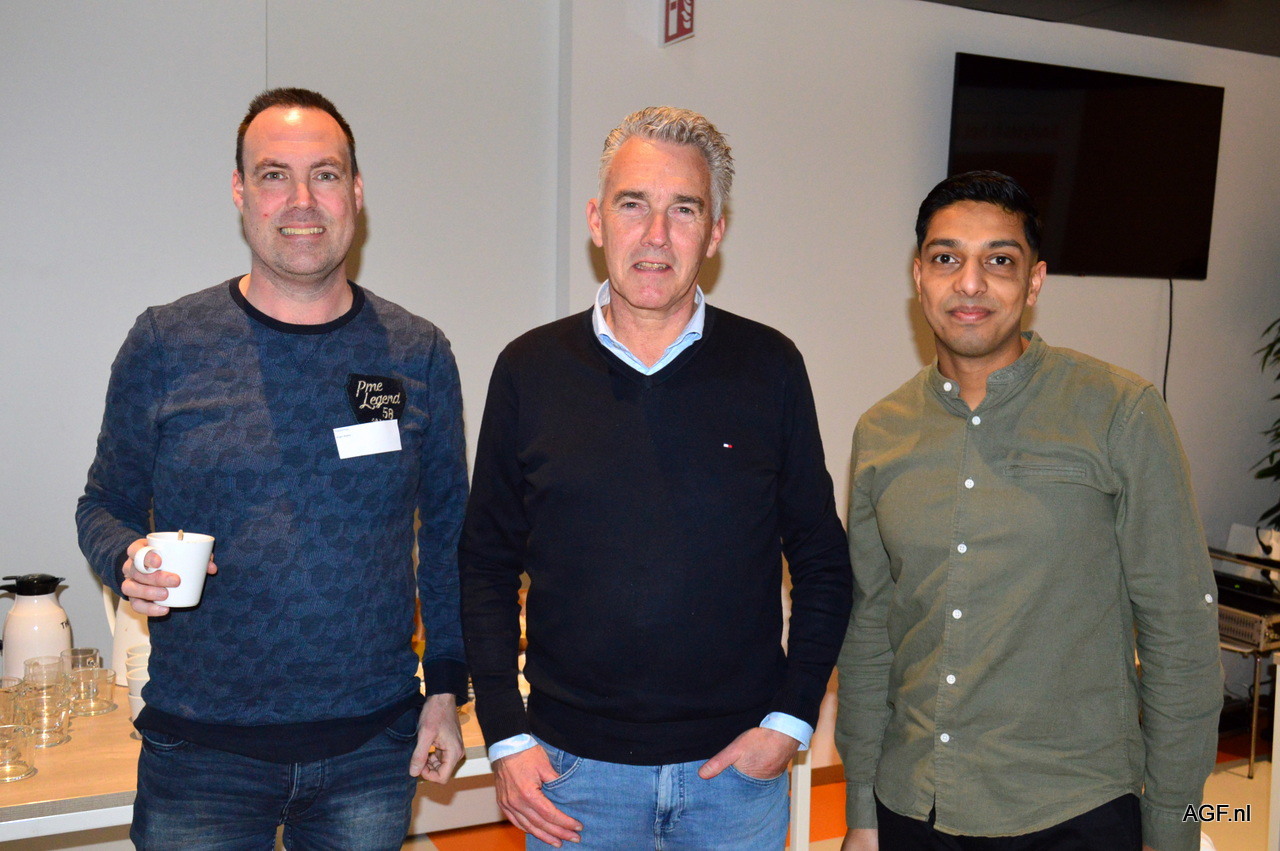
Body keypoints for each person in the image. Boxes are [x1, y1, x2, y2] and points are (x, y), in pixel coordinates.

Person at [76, 87, 469, 849]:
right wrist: (125, 556)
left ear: (356, 191)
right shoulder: (166, 343)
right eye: (273, 175)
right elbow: (103, 502)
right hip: (200, 752)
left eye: (325, 174)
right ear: (240, 191)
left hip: (371, 748)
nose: (302, 200)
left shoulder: (416, 352)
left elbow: (450, 534)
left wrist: (447, 689)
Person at [460, 106, 853, 849]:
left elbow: (823, 561)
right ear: (597, 220)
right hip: (573, 777)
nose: (656, 235)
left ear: (715, 231)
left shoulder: (770, 366)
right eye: (633, 204)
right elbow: (485, 564)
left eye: (684, 209)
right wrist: (506, 734)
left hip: (735, 779)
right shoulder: (528, 370)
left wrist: (791, 720)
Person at [836, 171, 1223, 851]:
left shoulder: (1120, 412)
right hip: (912, 804)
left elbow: (1181, 634)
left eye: (999, 261)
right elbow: (869, 635)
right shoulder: (881, 432)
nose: (971, 283)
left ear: (1034, 282)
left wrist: (1175, 830)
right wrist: (862, 815)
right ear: (919, 276)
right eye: (947, 258)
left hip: (1075, 807)